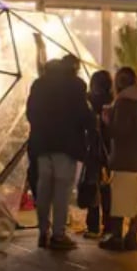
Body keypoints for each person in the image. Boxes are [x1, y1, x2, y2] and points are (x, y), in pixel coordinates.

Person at [26, 54, 92, 250]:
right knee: (61, 191)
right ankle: (58, 234)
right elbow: (82, 113)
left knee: (44, 189)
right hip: (66, 146)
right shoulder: (76, 85)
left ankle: (43, 231)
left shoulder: (39, 85)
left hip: (42, 145)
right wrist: (92, 123)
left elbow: (30, 113)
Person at [101, 66, 137, 252]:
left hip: (125, 156)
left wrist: (107, 120)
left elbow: (119, 132)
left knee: (119, 199)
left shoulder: (124, 102)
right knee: (135, 198)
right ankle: (132, 236)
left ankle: (117, 237)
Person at [82, 70, 114, 240]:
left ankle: (92, 227)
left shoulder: (88, 101)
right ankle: (108, 226)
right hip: (110, 150)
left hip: (92, 149)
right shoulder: (115, 100)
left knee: (92, 187)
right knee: (108, 189)